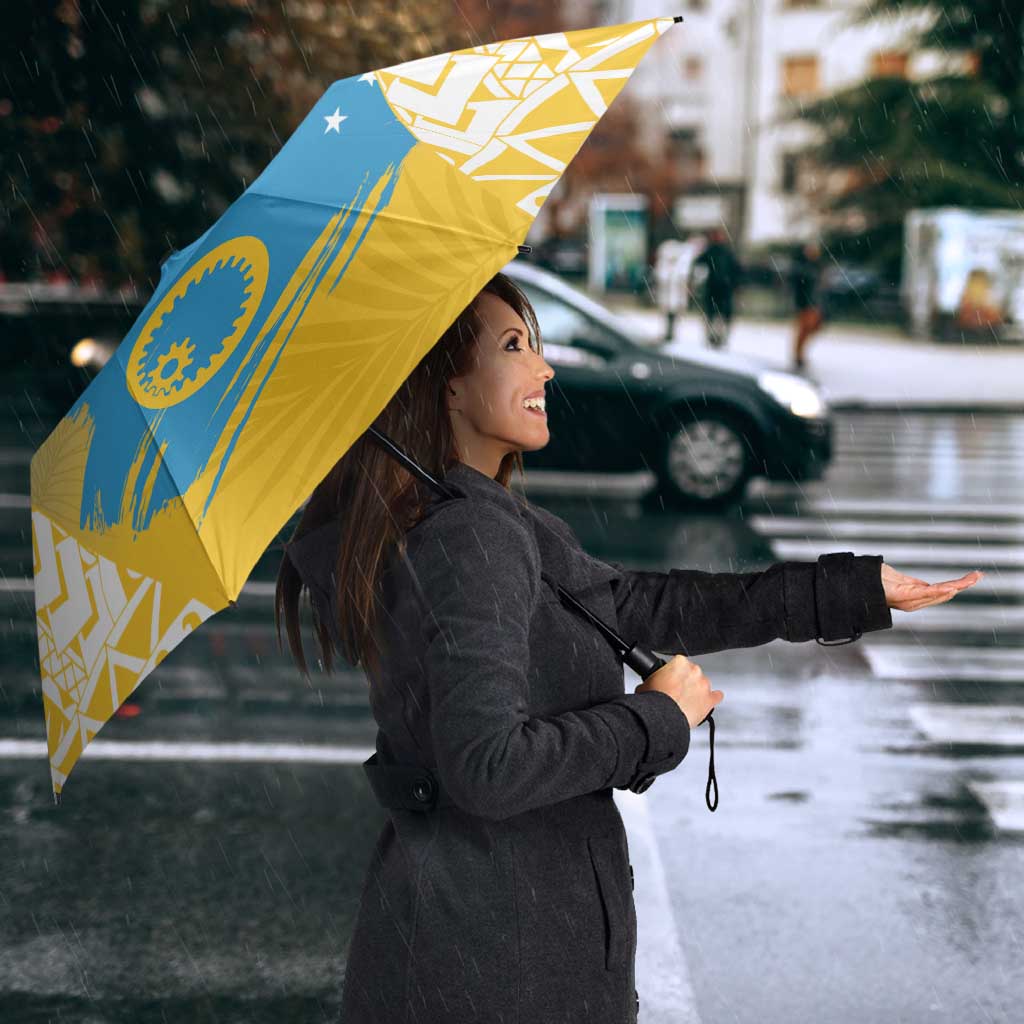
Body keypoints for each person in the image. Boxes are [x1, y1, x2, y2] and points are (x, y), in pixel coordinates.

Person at [275, 272, 981, 1024]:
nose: (544, 368)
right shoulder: (469, 537)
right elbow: (487, 767)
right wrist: (655, 719)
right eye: (514, 346)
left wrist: (850, 590)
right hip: (496, 963)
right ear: (445, 387)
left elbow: (642, 605)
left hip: (484, 943)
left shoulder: (480, 519)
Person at [692, 226, 742, 349]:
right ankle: (713, 337)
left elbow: (736, 270)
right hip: (715, 288)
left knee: (720, 315)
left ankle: (719, 337)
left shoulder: (725, 252)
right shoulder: (712, 251)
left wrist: (735, 284)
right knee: (713, 314)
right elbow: (698, 264)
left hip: (723, 288)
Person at [790, 239, 826, 370]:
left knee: (812, 328)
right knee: (804, 329)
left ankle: (799, 354)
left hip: (814, 303)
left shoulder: (817, 266)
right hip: (805, 303)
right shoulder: (802, 267)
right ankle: (798, 355)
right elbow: (799, 286)